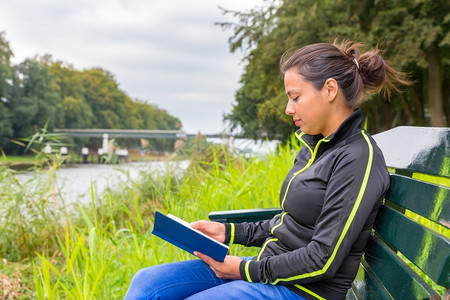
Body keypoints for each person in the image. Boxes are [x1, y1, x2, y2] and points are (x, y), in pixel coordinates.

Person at [124, 40, 409, 300]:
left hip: (304, 291)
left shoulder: (357, 158)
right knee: (147, 284)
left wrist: (243, 270)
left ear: (330, 90)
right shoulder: (316, 146)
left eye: (295, 97)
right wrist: (228, 232)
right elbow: (290, 223)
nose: (288, 108)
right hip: (269, 272)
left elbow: (323, 259)